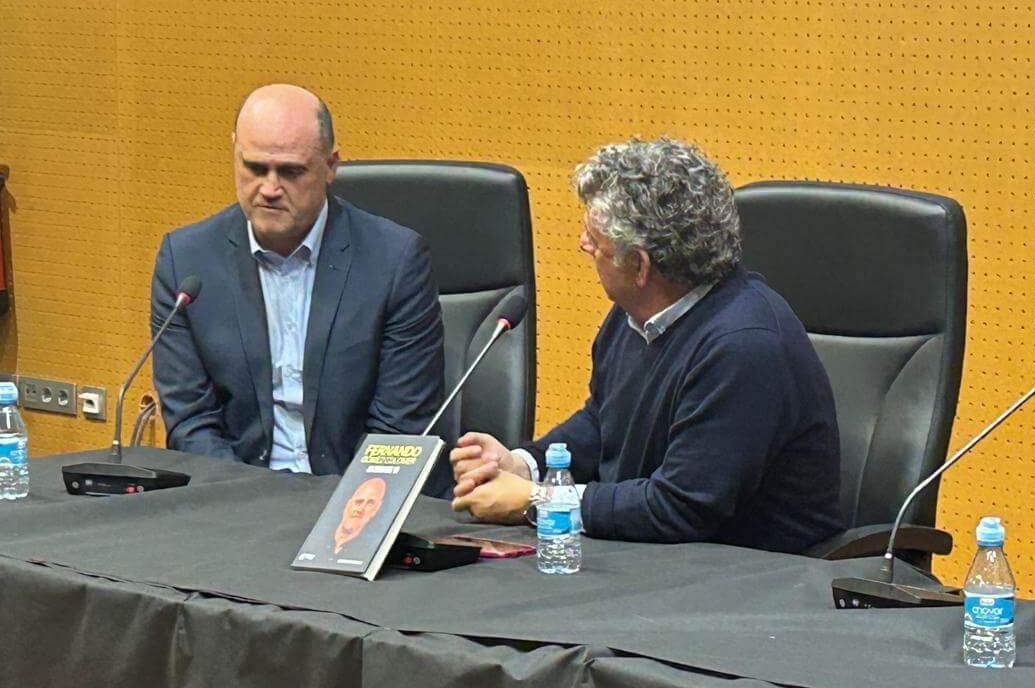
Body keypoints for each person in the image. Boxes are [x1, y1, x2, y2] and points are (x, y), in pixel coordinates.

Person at [451, 136, 844, 553]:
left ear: (639, 265)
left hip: (754, 572)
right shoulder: (636, 312)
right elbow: (602, 423)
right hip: (653, 560)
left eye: (595, 241)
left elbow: (681, 508)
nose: (583, 245)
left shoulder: (744, 346)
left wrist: (536, 501)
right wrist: (524, 465)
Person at [151, 84, 446, 478]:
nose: (269, 189)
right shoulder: (186, 263)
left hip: (353, 493)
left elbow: (397, 431)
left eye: (290, 172)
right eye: (254, 168)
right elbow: (191, 423)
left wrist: (332, 510)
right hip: (233, 493)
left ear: (330, 165)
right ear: (235, 152)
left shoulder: (396, 261)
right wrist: (249, 498)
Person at [334, 477, 387, 553]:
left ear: (375, 509)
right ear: (348, 504)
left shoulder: (369, 548)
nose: (360, 509)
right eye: (359, 502)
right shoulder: (322, 533)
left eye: (370, 504)